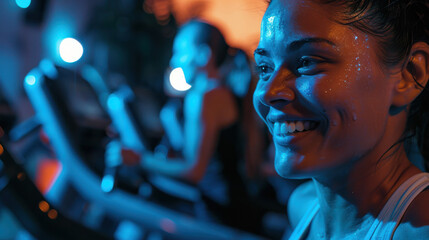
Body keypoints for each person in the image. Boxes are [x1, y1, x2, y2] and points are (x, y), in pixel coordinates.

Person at [253, 0, 429, 239]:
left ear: (409, 74)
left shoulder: (419, 229)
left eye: (308, 62)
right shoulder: (302, 206)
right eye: (264, 68)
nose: (267, 92)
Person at [123, 19, 265, 232]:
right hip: (240, 207)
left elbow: (194, 171)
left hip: (219, 215)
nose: (174, 60)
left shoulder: (203, 98)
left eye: (180, 52)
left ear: (203, 56)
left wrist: (139, 159)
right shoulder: (226, 94)